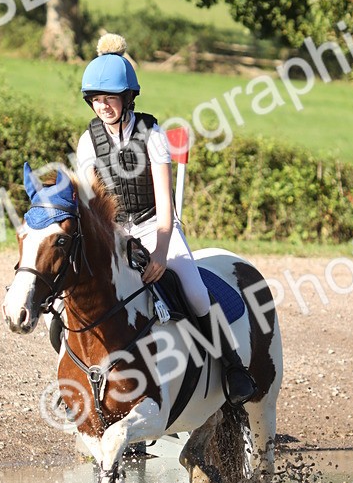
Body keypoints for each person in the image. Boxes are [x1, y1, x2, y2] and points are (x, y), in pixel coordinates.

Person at [75, 33, 256, 406]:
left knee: (193, 289)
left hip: (155, 225)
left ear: (128, 98)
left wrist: (159, 254)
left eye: (110, 98)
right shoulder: (87, 143)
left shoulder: (151, 134)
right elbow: (92, 208)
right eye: (96, 99)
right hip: (115, 236)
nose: (103, 106)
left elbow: (166, 207)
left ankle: (233, 365)